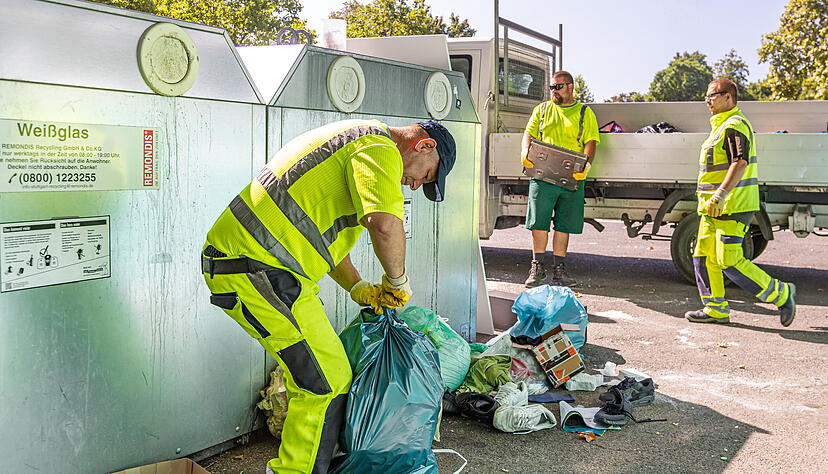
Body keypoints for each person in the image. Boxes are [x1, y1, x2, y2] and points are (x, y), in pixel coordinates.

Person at [200, 119, 456, 473]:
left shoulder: (359, 144)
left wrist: (357, 286)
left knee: (321, 375)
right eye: (425, 176)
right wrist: (397, 282)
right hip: (256, 268)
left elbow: (325, 241)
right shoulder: (378, 148)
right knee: (325, 382)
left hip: (265, 270)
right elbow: (384, 223)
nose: (413, 184)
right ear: (424, 146)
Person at [685, 78, 795, 326]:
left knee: (729, 261)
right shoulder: (719, 126)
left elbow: (740, 162)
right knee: (703, 257)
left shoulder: (735, 125)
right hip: (712, 209)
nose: (707, 100)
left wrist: (720, 195)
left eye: (713, 95)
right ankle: (715, 309)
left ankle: (782, 294)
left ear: (728, 97)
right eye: (707, 96)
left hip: (733, 205)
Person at [521, 70, 600, 287]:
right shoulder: (543, 109)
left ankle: (559, 270)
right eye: (551, 87)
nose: (553, 91)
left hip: (571, 177)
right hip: (542, 174)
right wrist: (525, 153)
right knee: (539, 222)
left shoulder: (585, 113)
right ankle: (537, 268)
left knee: (564, 225)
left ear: (570, 87)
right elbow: (529, 133)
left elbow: (591, 142)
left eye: (557, 87)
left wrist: (586, 167)